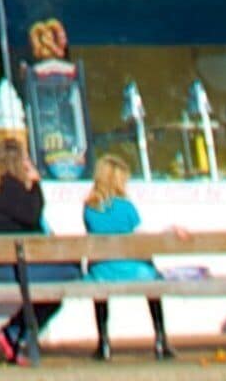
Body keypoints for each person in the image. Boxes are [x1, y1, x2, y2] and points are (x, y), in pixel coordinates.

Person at [0, 129, 65, 364]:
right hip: (13, 268)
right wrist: (36, 184)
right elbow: (32, 216)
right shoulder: (15, 189)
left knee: (52, 286)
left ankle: (14, 336)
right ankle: (15, 335)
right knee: (69, 276)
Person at [79, 152, 166, 361]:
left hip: (102, 272)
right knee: (153, 279)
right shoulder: (127, 207)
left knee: (99, 285)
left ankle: (103, 342)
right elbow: (141, 241)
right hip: (135, 271)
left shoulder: (89, 208)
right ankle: (161, 339)